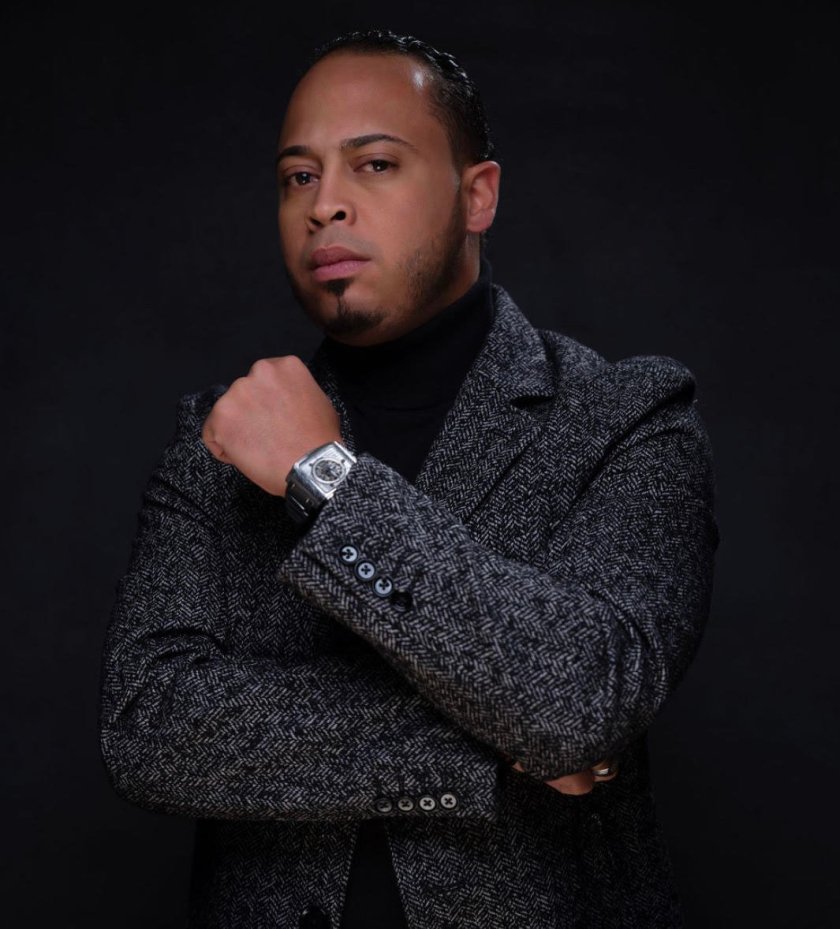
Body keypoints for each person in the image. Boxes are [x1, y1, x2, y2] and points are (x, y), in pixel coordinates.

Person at [98, 29, 719, 929]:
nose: (324, 206)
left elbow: (585, 693)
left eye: (376, 164)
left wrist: (322, 477)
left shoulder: (627, 416)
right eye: (298, 176)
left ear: (478, 195)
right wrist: (498, 736)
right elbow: (147, 728)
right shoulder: (217, 435)